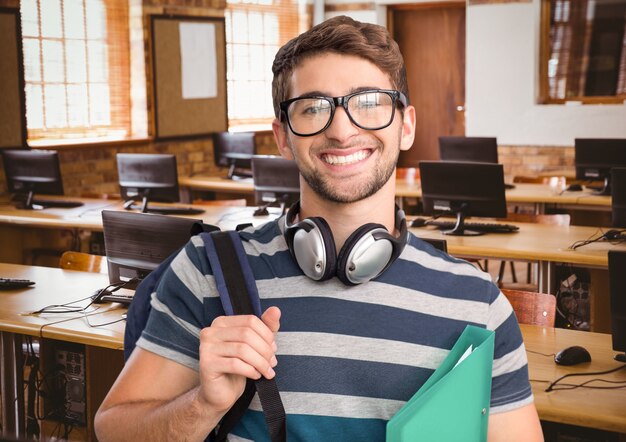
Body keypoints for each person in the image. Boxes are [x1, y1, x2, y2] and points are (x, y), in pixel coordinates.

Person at [95, 15, 543, 441]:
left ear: (406, 126)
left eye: (368, 103)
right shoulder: (208, 270)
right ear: (282, 136)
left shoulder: (476, 302)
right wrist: (203, 404)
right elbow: (113, 430)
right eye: (313, 109)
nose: (342, 130)